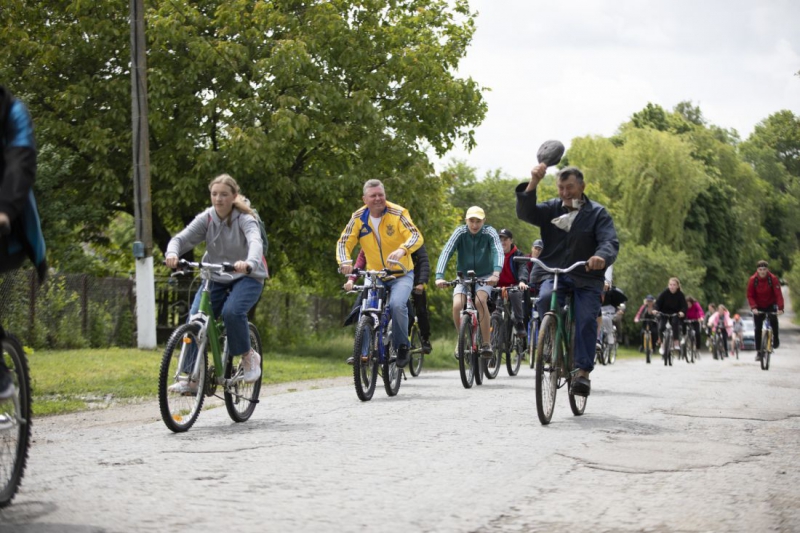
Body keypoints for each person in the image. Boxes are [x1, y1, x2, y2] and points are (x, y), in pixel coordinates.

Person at [516, 165, 619, 396]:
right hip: (555, 273)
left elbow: (609, 241)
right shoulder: (552, 208)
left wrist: (600, 257)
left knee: (585, 319)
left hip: (586, 276)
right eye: (561, 188)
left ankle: (582, 372)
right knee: (543, 300)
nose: (565, 193)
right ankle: (552, 334)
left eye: (570, 187)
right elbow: (526, 213)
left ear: (582, 187)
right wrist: (534, 181)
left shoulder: (597, 213)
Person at [165, 174, 267, 391]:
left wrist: (249, 262)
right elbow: (180, 239)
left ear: (234, 196)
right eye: (214, 194)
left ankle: (249, 356)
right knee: (196, 320)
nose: (218, 199)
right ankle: (193, 378)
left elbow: (255, 242)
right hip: (216, 275)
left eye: (224, 194)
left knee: (232, 312)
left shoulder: (245, 218)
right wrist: (172, 254)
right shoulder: (208, 218)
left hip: (247, 275)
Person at [337, 179, 423, 368]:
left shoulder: (398, 213)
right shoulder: (359, 217)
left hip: (400, 273)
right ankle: (363, 352)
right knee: (365, 308)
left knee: (397, 304)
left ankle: (402, 346)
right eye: (373, 196)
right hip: (375, 274)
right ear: (364, 199)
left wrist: (403, 250)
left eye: (381, 195)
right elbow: (345, 241)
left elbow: (415, 235)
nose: (378, 199)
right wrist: (345, 261)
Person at [0, 85, 46, 401]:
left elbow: (20, 163)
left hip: (8, 225)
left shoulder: (12, 112)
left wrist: (4, 210)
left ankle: (1, 378)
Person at [435, 206, 502, 358]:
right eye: (471, 221)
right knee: (458, 305)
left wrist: (496, 273)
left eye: (478, 221)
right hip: (463, 276)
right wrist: (439, 276)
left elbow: (497, 250)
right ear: (466, 221)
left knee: (480, 301)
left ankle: (486, 343)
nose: (474, 225)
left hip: (485, 276)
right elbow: (447, 251)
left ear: (483, 221)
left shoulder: (489, 232)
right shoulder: (460, 232)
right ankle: (462, 339)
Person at [344, 243, 432, 359]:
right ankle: (361, 352)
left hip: (406, 277)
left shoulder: (409, 236)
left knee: (414, 308)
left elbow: (423, 262)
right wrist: (351, 279)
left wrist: (420, 282)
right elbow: (362, 257)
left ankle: (416, 340)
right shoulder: (373, 235)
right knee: (364, 303)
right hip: (379, 277)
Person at [746, 260, 784, 360]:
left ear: (767, 270)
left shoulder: (773, 279)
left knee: (774, 321)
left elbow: (778, 294)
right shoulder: (753, 280)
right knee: (757, 328)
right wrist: (753, 307)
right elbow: (750, 295)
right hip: (758, 306)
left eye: (764, 269)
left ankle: (775, 339)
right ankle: (758, 352)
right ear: (757, 270)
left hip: (770, 304)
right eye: (760, 269)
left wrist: (780, 308)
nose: (762, 272)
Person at [495, 228, 526, 337]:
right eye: (500, 239)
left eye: (505, 239)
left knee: (515, 293)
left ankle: (519, 323)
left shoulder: (517, 254)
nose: (503, 242)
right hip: (497, 286)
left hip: (514, 286)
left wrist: (522, 281)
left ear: (511, 240)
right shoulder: (494, 254)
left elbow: (523, 268)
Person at [654, 277, 687, 357]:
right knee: (661, 327)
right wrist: (655, 310)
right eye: (670, 285)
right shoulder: (665, 293)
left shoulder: (680, 295)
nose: (672, 287)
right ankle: (662, 343)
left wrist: (682, 312)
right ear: (668, 285)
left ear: (677, 286)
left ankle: (676, 341)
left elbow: (684, 306)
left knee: (675, 323)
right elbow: (658, 303)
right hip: (664, 313)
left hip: (675, 313)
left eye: (674, 285)